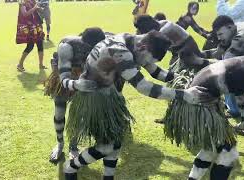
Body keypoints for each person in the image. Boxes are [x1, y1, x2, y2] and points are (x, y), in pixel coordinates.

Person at [63, 31, 213, 180]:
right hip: (93, 101)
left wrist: (183, 77)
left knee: (116, 144)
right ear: (143, 47)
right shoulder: (121, 52)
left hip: (107, 97)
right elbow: (144, 87)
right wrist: (183, 95)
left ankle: (108, 177)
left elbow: (155, 71)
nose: (144, 64)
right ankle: (71, 167)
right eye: (146, 59)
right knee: (107, 146)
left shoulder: (130, 41)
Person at [44, 27, 107, 163]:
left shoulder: (103, 44)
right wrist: (76, 84)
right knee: (59, 113)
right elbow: (64, 76)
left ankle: (73, 146)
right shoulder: (66, 46)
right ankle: (60, 144)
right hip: (63, 77)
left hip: (82, 77)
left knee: (79, 115)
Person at [207, 15, 244, 131]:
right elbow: (218, 52)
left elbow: (227, 61)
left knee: (236, 80)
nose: (219, 38)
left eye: (220, 34)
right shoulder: (233, 32)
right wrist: (198, 55)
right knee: (240, 85)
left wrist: (204, 66)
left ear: (230, 27)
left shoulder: (240, 36)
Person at [16, 0, 46, 72]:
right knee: (30, 46)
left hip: (36, 26)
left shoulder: (32, 1)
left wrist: (42, 8)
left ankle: (41, 65)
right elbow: (25, 14)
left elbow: (39, 11)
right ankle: (20, 64)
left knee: (40, 44)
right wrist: (34, 8)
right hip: (29, 28)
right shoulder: (22, 3)